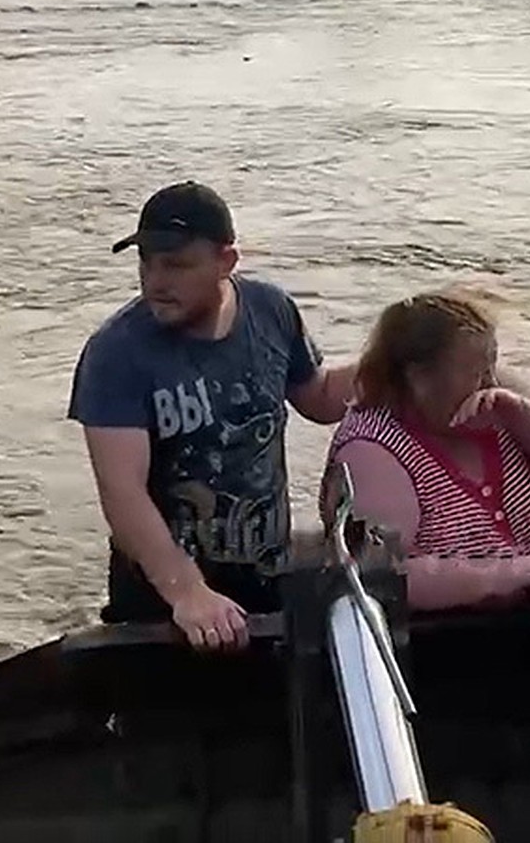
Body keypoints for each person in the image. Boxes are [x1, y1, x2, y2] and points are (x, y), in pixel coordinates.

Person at [68, 181, 355, 652]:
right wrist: (187, 592)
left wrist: (398, 362)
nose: (156, 282)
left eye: (177, 265)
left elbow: (319, 397)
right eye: (147, 263)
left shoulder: (271, 310)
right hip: (164, 602)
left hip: (267, 580)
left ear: (227, 261)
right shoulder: (115, 354)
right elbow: (123, 494)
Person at [321, 290, 530, 612]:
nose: (490, 383)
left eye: (491, 368)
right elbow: (375, 575)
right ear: (418, 377)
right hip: (432, 636)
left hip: (521, 620)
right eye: (477, 374)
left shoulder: (496, 401)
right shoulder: (372, 449)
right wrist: (511, 574)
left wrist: (519, 411)